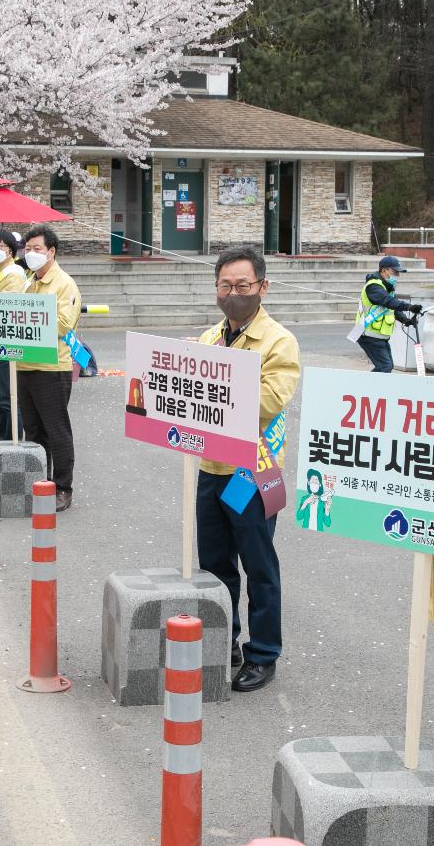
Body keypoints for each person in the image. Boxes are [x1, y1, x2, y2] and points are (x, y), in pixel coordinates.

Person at [196, 246, 300, 693]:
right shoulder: (207, 338)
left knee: (259, 567)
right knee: (214, 565)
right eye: (226, 286)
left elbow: (268, 401)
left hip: (253, 472)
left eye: (242, 286)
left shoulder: (278, 341)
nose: (233, 293)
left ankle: (262, 654)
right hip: (210, 465)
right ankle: (226, 639)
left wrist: (214, 388)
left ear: (262, 286)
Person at [16, 225, 80, 512]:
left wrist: (32, 317)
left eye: (37, 249)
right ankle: (40, 480)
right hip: (25, 364)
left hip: (52, 368)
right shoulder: (29, 280)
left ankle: (63, 487)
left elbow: (65, 324)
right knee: (33, 430)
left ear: (51, 251)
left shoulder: (64, 283)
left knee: (56, 431)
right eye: (27, 249)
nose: (31, 253)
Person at [0, 229, 27, 440]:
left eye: (0, 246)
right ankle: (2, 435)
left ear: (10, 251)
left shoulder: (14, 274)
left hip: (5, 340)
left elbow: (10, 305)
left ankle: (12, 438)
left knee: (7, 396)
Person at [356, 255, 422, 373]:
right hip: (368, 334)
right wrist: (409, 307)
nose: (397, 275)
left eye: (398, 273)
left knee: (387, 366)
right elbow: (388, 302)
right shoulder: (374, 286)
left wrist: (406, 320)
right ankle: (364, 388)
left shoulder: (387, 287)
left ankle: (367, 387)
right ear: (383, 270)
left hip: (379, 336)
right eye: (394, 272)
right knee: (385, 367)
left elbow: (391, 308)